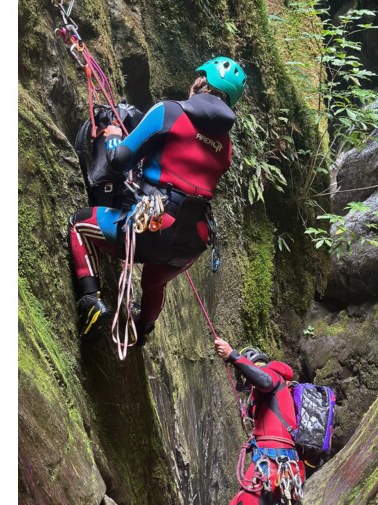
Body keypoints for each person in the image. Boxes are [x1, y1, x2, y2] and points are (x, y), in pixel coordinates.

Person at [68, 57, 247, 344]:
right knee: (154, 281)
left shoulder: (170, 112)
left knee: (79, 223)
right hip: (191, 243)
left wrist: (113, 135)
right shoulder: (226, 147)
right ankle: (143, 330)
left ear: (200, 83)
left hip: (152, 224)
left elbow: (119, 160)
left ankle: (90, 301)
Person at [214, 338, 305, 505]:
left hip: (272, 464)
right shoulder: (275, 394)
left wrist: (232, 355)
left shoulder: (272, 373)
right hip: (274, 463)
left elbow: (263, 380)